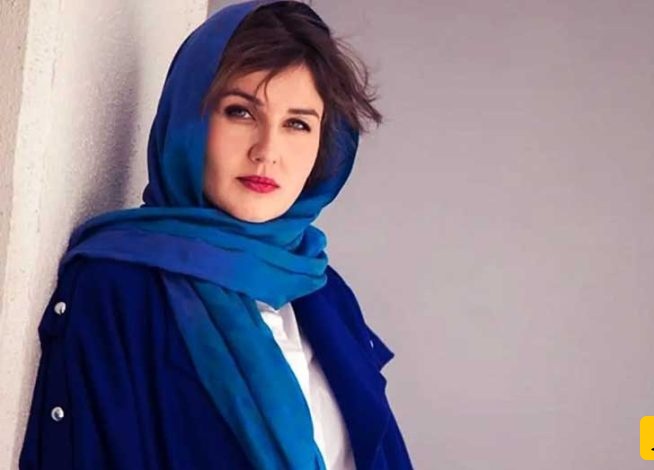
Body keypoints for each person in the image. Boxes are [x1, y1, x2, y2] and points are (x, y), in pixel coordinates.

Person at [18, 1, 412, 469]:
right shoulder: (116, 288)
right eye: (241, 112)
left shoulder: (324, 292)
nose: (267, 151)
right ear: (189, 122)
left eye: (297, 124)